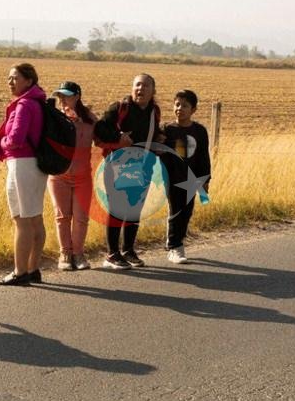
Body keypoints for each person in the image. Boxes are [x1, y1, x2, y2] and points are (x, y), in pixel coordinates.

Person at [94, 74, 163, 269]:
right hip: (118, 165)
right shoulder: (119, 108)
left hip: (143, 166)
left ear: (153, 90)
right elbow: (99, 130)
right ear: (132, 88)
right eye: (137, 85)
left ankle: (128, 250)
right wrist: (118, 138)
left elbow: (152, 132)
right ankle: (112, 254)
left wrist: (159, 138)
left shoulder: (154, 111)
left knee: (134, 210)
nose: (140, 89)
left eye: (145, 85)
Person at [0, 63, 48, 286]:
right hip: (35, 166)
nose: (10, 82)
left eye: (15, 78)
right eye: (9, 78)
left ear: (29, 81)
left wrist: (2, 142)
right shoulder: (37, 102)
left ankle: (20, 272)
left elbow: (15, 139)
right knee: (35, 218)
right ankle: (33, 269)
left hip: (22, 165)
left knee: (21, 221)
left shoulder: (24, 104)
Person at [47, 81, 96, 271]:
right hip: (59, 176)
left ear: (77, 97)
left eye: (66, 96)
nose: (62, 99)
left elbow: (103, 139)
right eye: (60, 96)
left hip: (83, 177)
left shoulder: (90, 119)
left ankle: (78, 254)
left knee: (81, 217)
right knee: (62, 216)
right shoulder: (56, 117)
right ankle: (65, 254)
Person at [161, 90, 211, 264]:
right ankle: (175, 247)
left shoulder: (199, 131)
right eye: (177, 105)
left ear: (193, 110)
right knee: (176, 210)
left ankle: (175, 241)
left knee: (187, 212)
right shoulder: (166, 129)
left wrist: (205, 180)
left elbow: (204, 157)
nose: (180, 109)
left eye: (185, 106)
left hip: (192, 179)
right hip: (172, 177)